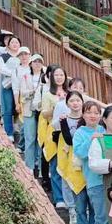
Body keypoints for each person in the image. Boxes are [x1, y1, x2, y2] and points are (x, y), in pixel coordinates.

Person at [73, 101, 107, 224]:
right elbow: (80, 152)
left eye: (96, 112)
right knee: (97, 213)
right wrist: (92, 138)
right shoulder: (80, 132)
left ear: (100, 116)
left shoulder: (103, 129)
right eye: (89, 112)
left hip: (107, 178)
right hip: (92, 178)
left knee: (103, 214)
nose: (93, 115)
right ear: (83, 114)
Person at [53, 91, 85, 224]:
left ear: (82, 102)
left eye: (78, 100)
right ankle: (72, 210)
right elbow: (54, 126)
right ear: (67, 103)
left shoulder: (86, 118)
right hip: (67, 154)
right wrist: (61, 120)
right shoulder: (63, 119)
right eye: (72, 101)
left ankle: (82, 212)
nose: (75, 103)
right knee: (67, 181)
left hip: (82, 157)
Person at [41, 65, 69, 208]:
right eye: (56, 75)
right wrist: (56, 107)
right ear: (52, 77)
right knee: (55, 164)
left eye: (61, 75)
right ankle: (58, 198)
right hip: (54, 132)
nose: (59, 77)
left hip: (68, 132)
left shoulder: (70, 94)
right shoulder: (47, 94)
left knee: (67, 165)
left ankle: (69, 199)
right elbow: (44, 113)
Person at [12, 46, 39, 170]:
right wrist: (17, 103)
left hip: (40, 109)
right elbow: (17, 89)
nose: (24, 56)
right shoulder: (18, 71)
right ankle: (30, 166)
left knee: (39, 137)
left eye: (26, 54)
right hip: (27, 106)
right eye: (21, 54)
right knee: (29, 136)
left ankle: (38, 164)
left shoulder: (41, 73)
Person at [0, 35, 21, 141]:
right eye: (13, 42)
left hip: (21, 86)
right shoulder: (4, 56)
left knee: (19, 107)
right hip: (8, 85)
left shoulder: (23, 56)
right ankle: (9, 132)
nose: (15, 44)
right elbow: (1, 69)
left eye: (17, 42)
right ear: (8, 44)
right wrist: (14, 74)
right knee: (7, 108)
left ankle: (17, 127)